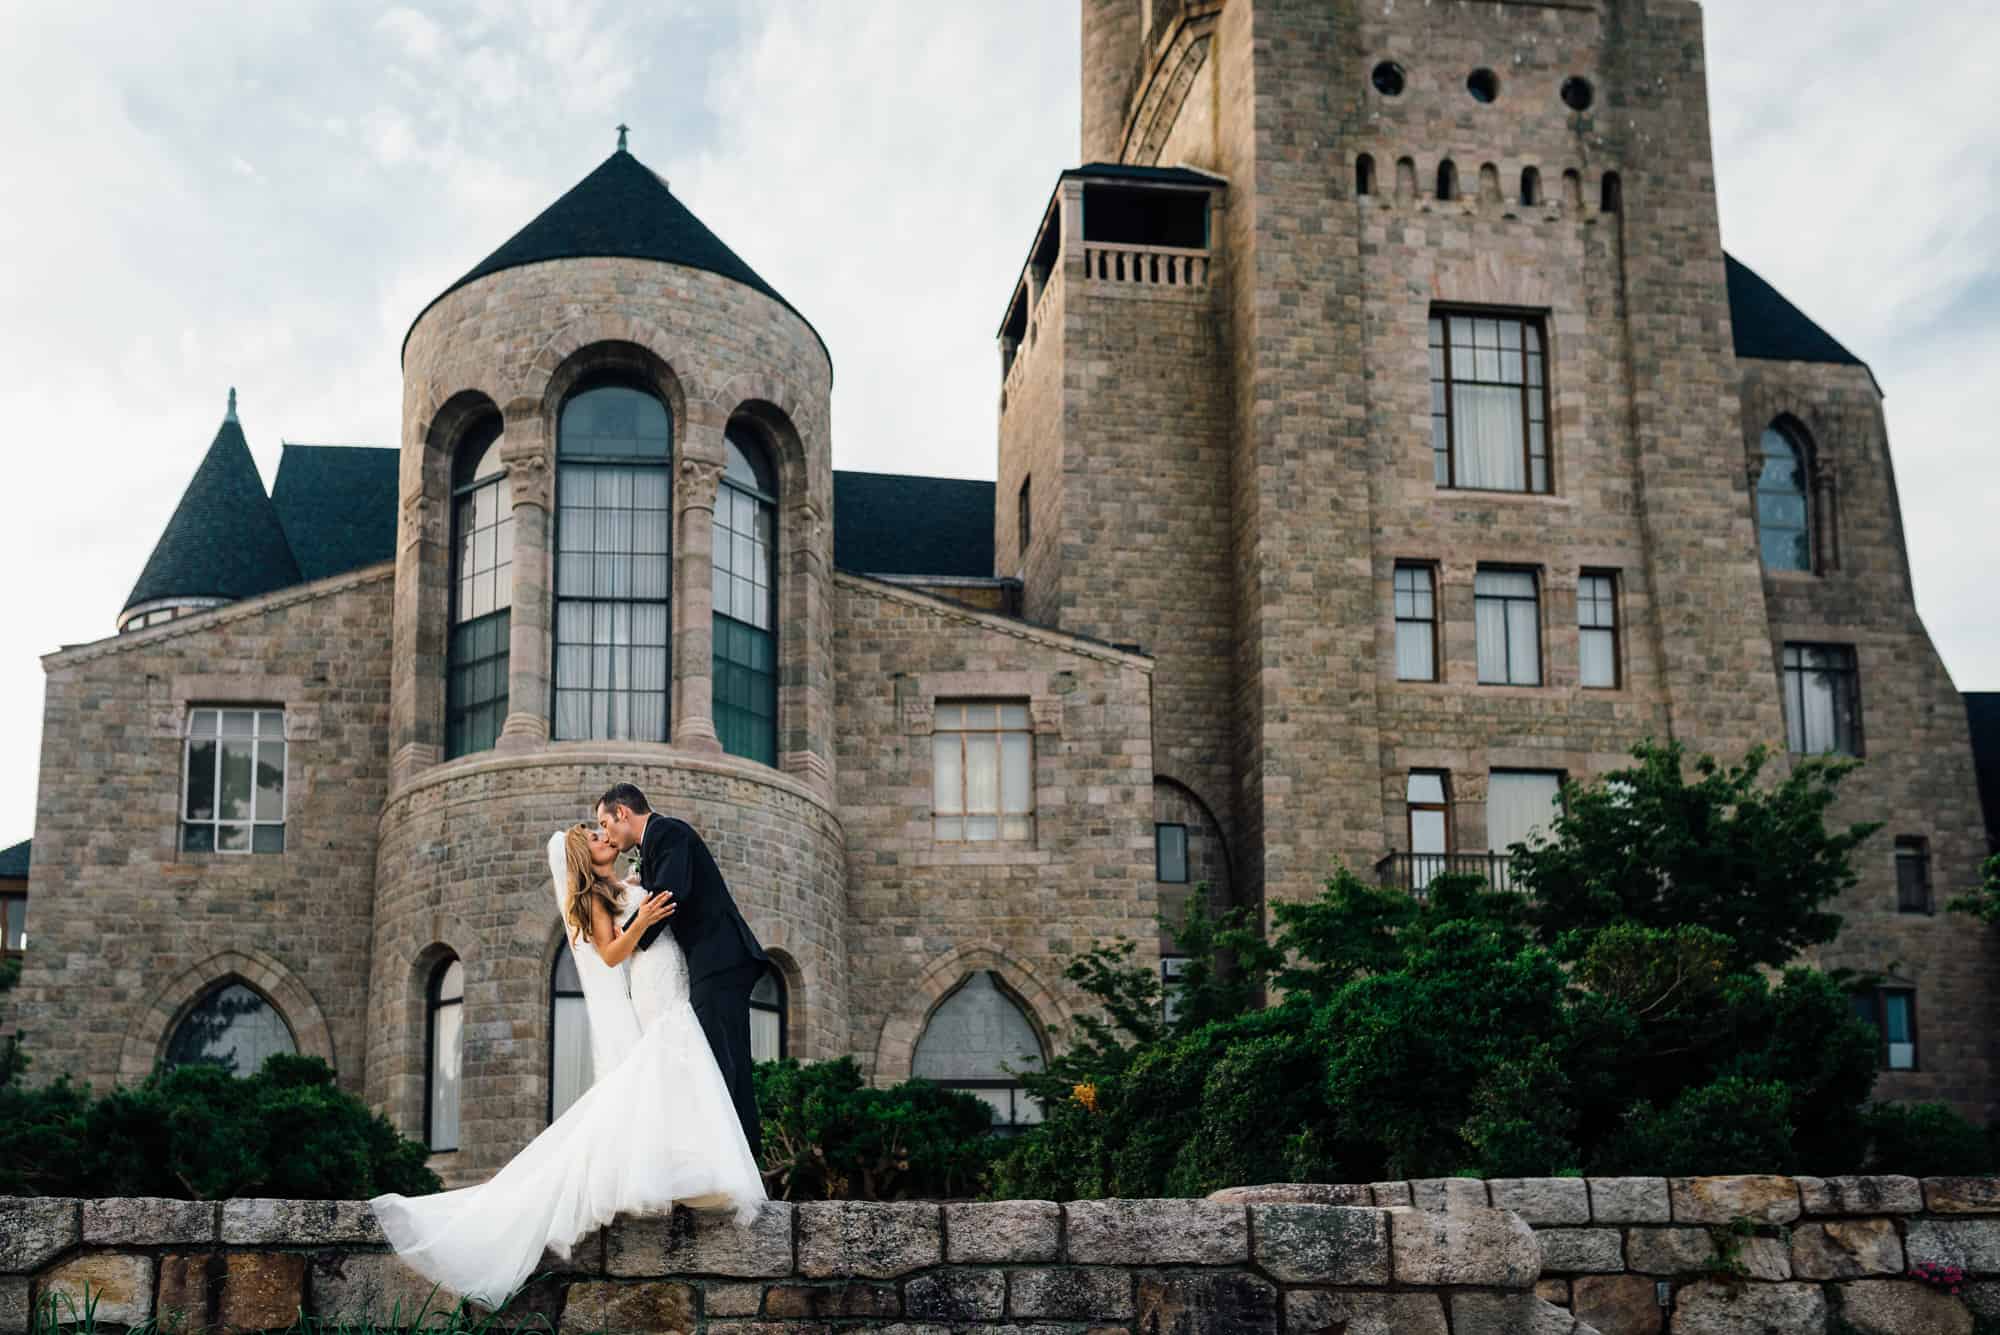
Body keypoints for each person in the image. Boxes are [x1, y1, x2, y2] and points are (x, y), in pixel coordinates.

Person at [368, 823, 766, 1309]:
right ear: (585, 856)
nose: (606, 838)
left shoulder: (621, 887)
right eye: (596, 837)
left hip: (670, 978)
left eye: (603, 831)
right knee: (672, 1061)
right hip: (655, 987)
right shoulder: (594, 899)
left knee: (675, 1074)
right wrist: (641, 922)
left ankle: (692, 1169)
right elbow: (610, 950)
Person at [596, 782, 771, 1158]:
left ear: (622, 813)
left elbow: (669, 897)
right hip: (712, 962)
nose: (605, 833)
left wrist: (628, 938)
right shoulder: (655, 842)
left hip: (721, 958)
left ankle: (733, 1159)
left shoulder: (667, 832)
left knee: (722, 1060)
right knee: (723, 1058)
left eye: (605, 822)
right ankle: (736, 1158)